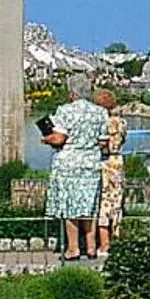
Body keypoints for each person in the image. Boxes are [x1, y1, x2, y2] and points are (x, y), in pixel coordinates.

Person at [44, 72, 107, 262]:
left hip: (69, 165)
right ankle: (91, 247)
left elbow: (59, 138)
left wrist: (46, 138)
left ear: (72, 93)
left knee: (71, 207)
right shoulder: (100, 112)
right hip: (91, 164)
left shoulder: (65, 111)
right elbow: (103, 142)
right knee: (90, 206)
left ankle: (73, 248)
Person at [94, 88, 126, 258]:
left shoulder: (102, 123)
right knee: (117, 203)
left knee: (104, 204)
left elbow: (102, 145)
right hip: (118, 162)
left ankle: (104, 243)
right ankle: (117, 239)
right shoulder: (122, 123)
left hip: (105, 163)